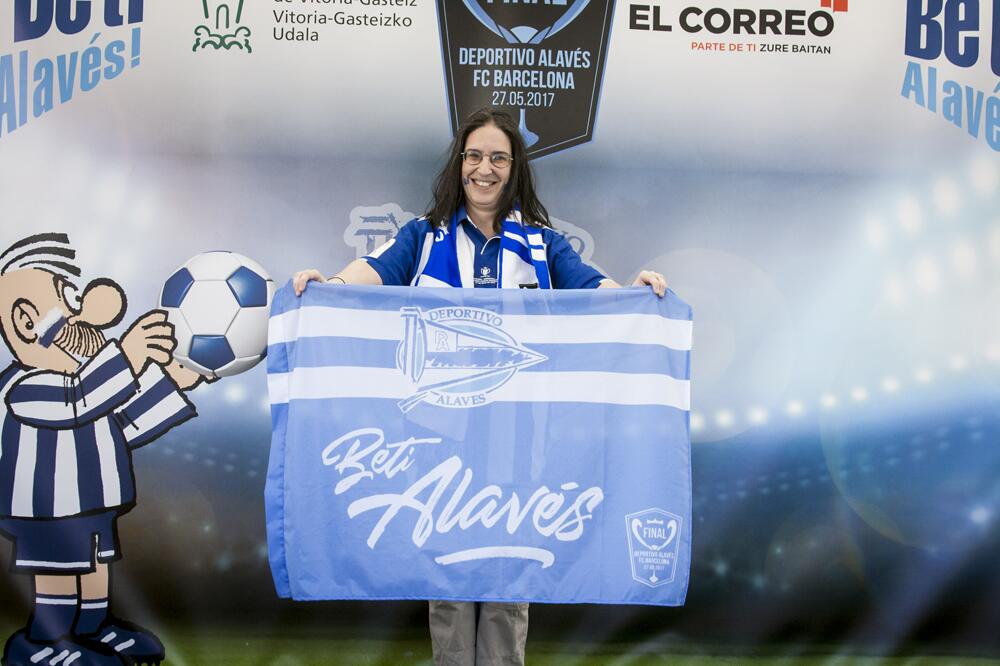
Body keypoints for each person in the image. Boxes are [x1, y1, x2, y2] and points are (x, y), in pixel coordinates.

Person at [292, 107, 666, 666]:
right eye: (473, 156)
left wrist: (635, 290)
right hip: (438, 433)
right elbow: (375, 269)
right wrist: (330, 283)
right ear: (459, 164)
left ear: (513, 169)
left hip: (520, 436)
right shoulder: (424, 236)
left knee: (507, 569)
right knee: (445, 567)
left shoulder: (541, 245)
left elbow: (595, 291)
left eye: (497, 157)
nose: (483, 168)